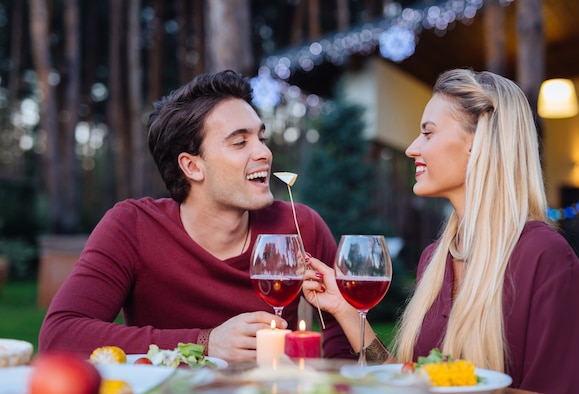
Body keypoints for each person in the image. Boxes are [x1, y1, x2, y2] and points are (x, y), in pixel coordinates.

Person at [302, 68, 579, 394]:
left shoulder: (544, 256)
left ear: (477, 143)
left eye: (428, 133)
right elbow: (410, 390)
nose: (412, 149)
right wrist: (344, 308)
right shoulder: (436, 258)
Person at [38, 70, 352, 362]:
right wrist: (206, 342)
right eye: (240, 142)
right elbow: (59, 336)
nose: (264, 153)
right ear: (192, 166)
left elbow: (348, 356)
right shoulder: (132, 227)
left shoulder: (300, 226)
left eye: (261, 138)